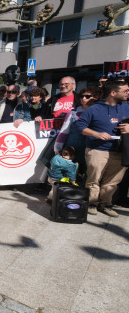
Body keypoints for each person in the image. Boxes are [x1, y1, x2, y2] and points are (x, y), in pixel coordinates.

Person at [75, 80, 129, 217]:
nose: (128, 93)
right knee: (94, 179)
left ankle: (105, 204)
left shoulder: (127, 107)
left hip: (120, 151)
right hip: (97, 149)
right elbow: (80, 126)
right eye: (125, 91)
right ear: (113, 93)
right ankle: (92, 203)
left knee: (112, 181)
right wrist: (96, 134)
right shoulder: (94, 108)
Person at [54, 87, 101, 181]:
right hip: (73, 147)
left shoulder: (100, 112)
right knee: (69, 174)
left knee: (89, 174)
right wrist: (57, 148)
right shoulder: (73, 112)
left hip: (91, 148)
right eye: (82, 96)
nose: (83, 98)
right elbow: (64, 131)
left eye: (87, 96)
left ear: (95, 97)